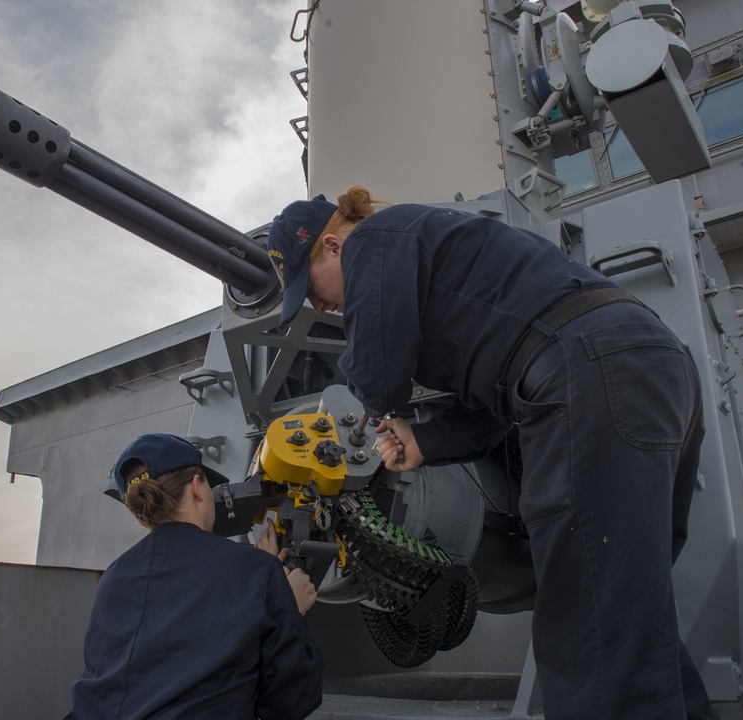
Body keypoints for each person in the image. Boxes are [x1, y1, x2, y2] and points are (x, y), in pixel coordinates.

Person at [267, 186, 714, 720]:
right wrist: (424, 441)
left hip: (589, 374)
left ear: (335, 246)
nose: (320, 307)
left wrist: (361, 424)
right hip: (645, 368)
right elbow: (493, 405)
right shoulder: (437, 258)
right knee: (628, 615)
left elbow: (376, 372)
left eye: (311, 289)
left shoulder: (378, 241)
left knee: (586, 628)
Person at [63, 433, 324, 720]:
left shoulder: (113, 579)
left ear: (141, 517)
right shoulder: (256, 571)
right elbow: (289, 704)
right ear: (198, 487)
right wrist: (290, 609)